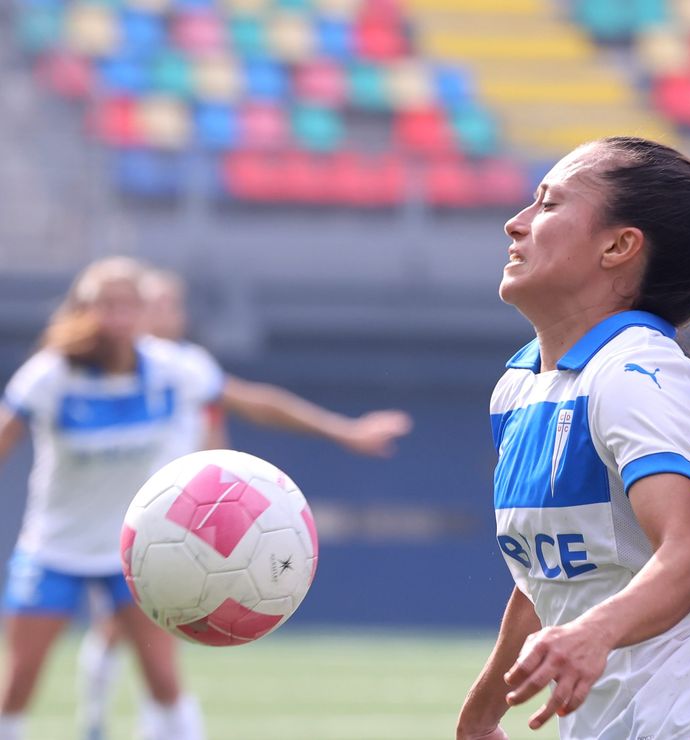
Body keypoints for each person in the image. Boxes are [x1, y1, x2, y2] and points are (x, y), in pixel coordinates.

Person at [456, 137, 690, 739]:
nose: (517, 222)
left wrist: (591, 634)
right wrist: (485, 706)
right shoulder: (519, 388)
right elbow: (547, 581)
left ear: (618, 245)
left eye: (549, 204)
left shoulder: (637, 374)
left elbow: (688, 564)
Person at [73, 266, 413, 740]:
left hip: (187, 527)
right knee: (123, 631)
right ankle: (100, 716)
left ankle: (142, 723)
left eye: (173, 305)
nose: (168, 314)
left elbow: (249, 405)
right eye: (156, 304)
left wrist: (343, 430)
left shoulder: (186, 368)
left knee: (150, 637)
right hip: (139, 523)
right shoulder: (91, 371)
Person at [0, 258, 214, 740]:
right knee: (19, 682)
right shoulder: (50, 374)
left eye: (128, 305)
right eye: (106, 305)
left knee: (163, 680)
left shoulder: (173, 368)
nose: (117, 316)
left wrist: (343, 432)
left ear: (146, 311)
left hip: (135, 553)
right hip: (54, 547)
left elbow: (251, 401)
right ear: (84, 310)